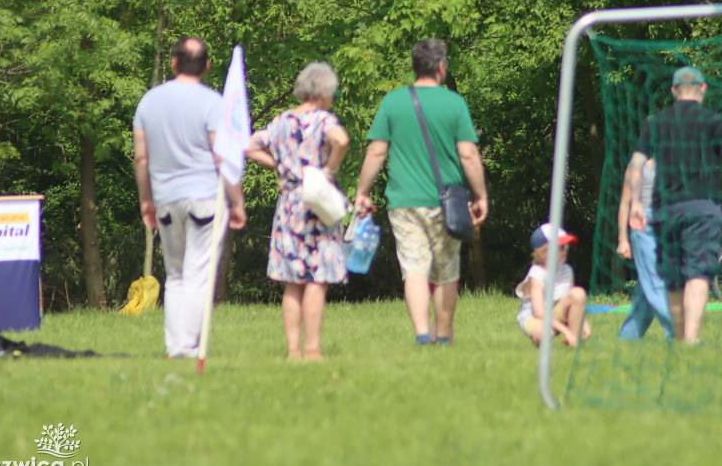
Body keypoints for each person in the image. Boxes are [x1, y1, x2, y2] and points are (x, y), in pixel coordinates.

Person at [354, 38, 488, 346]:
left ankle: (421, 333)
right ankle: (443, 336)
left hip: (403, 201)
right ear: (441, 67)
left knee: (413, 267)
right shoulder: (454, 103)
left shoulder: (393, 102)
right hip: (446, 202)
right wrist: (480, 196)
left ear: (414, 67)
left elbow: (376, 152)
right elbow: (468, 154)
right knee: (446, 269)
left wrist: (362, 191)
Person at [625, 66, 722, 344]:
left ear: (674, 91)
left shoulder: (657, 123)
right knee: (698, 273)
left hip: (665, 210)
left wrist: (636, 206)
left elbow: (636, 165)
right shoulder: (712, 120)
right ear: (703, 88)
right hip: (702, 207)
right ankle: (690, 340)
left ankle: (679, 338)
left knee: (674, 277)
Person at [133, 37, 247, 359]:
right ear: (207, 66)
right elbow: (223, 157)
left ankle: (175, 347)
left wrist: (146, 200)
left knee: (176, 276)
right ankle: (187, 347)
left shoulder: (148, 102)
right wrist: (237, 202)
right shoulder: (214, 103)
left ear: (172, 63)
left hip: (166, 199)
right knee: (198, 274)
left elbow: (141, 158)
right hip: (205, 199)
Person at [245, 62, 350, 360]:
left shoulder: (280, 121)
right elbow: (340, 140)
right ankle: (313, 349)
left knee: (292, 281)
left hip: (289, 203)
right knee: (317, 278)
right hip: (317, 202)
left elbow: (249, 146)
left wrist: (280, 166)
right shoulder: (324, 120)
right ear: (325, 91)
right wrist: (329, 170)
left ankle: (293, 351)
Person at [616, 158, 674, 340]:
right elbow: (625, 204)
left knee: (646, 289)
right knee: (656, 282)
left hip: (666, 227)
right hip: (643, 227)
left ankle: (627, 338)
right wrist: (623, 239)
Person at [515, 224, 591, 347]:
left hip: (555, 312)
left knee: (578, 293)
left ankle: (573, 342)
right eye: (560, 247)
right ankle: (546, 338)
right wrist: (565, 330)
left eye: (566, 246)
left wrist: (583, 322)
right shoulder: (537, 274)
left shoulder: (567, 270)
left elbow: (572, 301)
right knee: (543, 334)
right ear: (542, 253)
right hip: (534, 317)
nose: (565, 250)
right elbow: (539, 312)